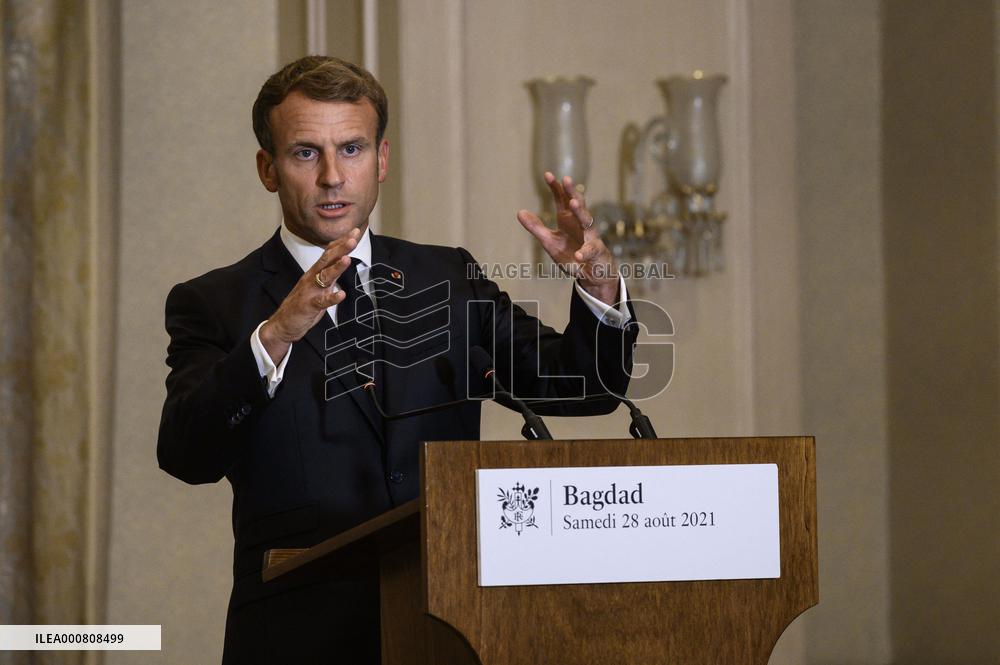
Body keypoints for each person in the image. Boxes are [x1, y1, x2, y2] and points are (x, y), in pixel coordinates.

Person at [157, 56, 638, 664]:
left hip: (455, 626)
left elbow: (584, 388)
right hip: (297, 638)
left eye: (352, 149)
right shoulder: (214, 302)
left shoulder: (447, 277)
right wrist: (277, 334)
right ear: (268, 169)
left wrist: (598, 288)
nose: (333, 176)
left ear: (381, 159)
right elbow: (186, 454)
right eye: (306, 153)